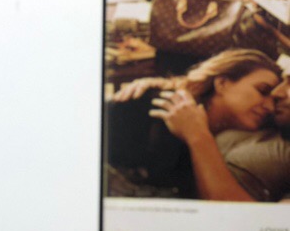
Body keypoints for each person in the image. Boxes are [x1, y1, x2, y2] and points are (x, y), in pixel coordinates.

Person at [106, 49, 283, 198]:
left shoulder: (253, 140)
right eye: (262, 91)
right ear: (222, 83)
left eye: (275, 101)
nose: (269, 107)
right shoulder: (146, 105)